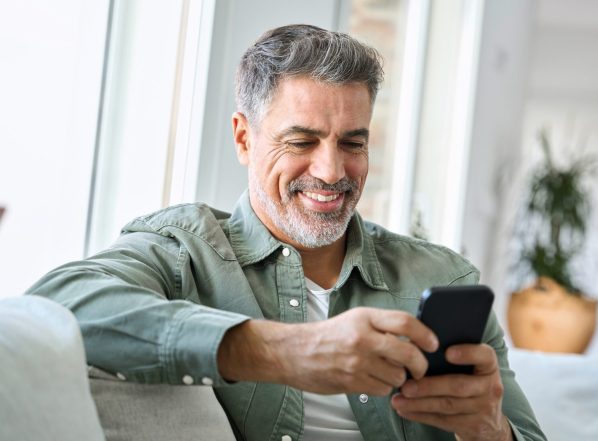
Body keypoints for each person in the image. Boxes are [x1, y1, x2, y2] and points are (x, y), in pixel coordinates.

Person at [27, 24, 545, 441]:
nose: (330, 171)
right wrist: (289, 352)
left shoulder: (444, 276)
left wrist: (489, 432)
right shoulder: (185, 251)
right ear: (244, 138)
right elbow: (53, 307)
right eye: (302, 141)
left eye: (353, 143)